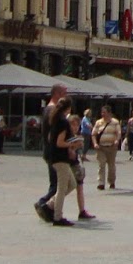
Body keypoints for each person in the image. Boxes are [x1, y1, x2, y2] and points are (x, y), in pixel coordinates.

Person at [41, 97, 80, 226]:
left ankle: (50, 205)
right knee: (62, 187)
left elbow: (50, 137)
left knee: (72, 184)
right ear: (68, 108)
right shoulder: (63, 121)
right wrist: (73, 144)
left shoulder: (54, 118)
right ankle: (58, 217)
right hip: (60, 158)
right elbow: (59, 142)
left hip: (56, 156)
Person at [33, 83, 68, 223]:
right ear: (57, 94)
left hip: (50, 151)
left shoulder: (49, 109)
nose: (66, 96)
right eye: (64, 93)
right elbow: (51, 134)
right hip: (54, 152)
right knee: (58, 184)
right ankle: (43, 204)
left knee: (56, 183)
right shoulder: (53, 110)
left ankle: (47, 208)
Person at [93, 105, 121, 191]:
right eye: (102, 112)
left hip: (111, 147)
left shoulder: (115, 122)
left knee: (111, 165)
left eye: (104, 112)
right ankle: (101, 183)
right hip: (101, 147)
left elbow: (118, 132)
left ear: (109, 113)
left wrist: (117, 140)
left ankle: (111, 181)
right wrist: (95, 143)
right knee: (101, 165)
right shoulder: (98, 122)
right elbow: (93, 134)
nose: (102, 114)